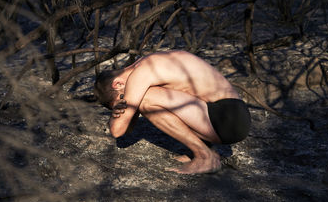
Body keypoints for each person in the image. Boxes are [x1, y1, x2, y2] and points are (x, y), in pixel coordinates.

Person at [94, 50, 250, 174]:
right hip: (230, 114)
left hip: (228, 119)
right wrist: (125, 111)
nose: (125, 101)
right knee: (147, 98)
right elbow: (129, 124)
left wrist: (117, 114)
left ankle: (205, 157)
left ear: (117, 84)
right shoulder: (147, 62)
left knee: (145, 100)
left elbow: (117, 130)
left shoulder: (141, 74)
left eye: (121, 98)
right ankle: (206, 149)